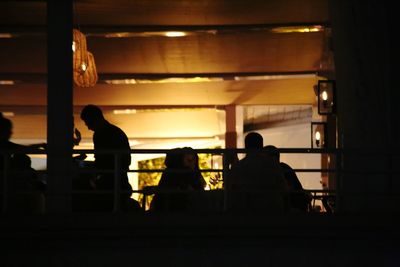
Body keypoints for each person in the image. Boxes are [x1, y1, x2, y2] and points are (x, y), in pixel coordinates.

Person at [80, 104, 134, 211]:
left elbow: (102, 160)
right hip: (117, 179)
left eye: (88, 123)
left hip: (110, 181)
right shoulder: (116, 132)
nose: (88, 127)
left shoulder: (101, 134)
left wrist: (92, 168)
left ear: (93, 119)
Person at [227, 132, 288, 213]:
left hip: (246, 212)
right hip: (272, 211)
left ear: (246, 146)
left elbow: (231, 192)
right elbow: (284, 189)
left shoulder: (238, 167)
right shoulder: (273, 164)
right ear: (261, 146)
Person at [150, 147, 205, 212]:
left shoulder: (193, 173)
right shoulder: (178, 173)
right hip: (179, 211)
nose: (191, 162)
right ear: (181, 159)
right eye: (188, 160)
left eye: (193, 159)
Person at [264, 145, 311, 212]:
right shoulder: (284, 168)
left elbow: (287, 191)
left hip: (294, 208)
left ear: (273, 158)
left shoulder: (281, 170)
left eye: (264, 158)